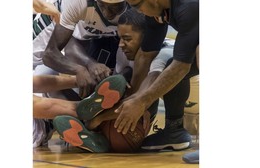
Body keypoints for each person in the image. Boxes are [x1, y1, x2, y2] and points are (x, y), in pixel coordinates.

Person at [52, 8, 176, 152]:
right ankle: (98, 137)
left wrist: (99, 119)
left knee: (123, 134)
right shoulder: (123, 52)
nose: (121, 44)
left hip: (180, 100)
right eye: (120, 38)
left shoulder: (164, 55)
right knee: (120, 80)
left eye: (127, 39)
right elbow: (118, 88)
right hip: (139, 96)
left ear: (146, 36)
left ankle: (95, 132)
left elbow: (139, 100)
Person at [113, 0, 199, 152]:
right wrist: (134, 97)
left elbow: (181, 66)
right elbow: (146, 55)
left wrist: (142, 101)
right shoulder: (158, 8)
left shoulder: (189, 4)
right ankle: (174, 131)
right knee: (169, 65)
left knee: (191, 57)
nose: (136, 11)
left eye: (135, 6)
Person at [35, 0, 128, 98]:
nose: (108, 14)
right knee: (40, 74)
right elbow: (51, 53)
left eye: (114, 9)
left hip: (104, 32)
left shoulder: (136, 4)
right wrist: (83, 67)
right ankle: (72, 107)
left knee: (130, 65)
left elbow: (141, 55)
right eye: (102, 6)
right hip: (64, 15)